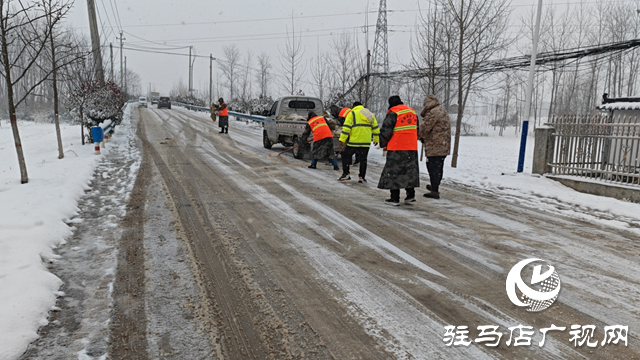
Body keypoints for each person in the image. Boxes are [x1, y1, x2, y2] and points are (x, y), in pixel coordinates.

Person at [377, 95, 420, 206]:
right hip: (411, 148)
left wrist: (382, 143)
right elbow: (417, 129)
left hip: (397, 148)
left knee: (394, 173)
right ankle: (410, 195)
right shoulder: (412, 112)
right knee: (409, 172)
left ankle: (394, 198)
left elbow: (386, 130)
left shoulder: (394, 113)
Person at [418, 94, 451, 199]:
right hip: (443, 144)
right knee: (439, 166)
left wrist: (417, 135)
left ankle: (434, 190)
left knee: (432, 167)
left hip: (435, 144)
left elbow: (424, 128)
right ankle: (435, 185)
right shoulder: (442, 111)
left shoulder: (433, 113)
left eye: (425, 104)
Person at [338, 101, 379, 183]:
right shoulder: (370, 114)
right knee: (363, 160)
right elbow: (375, 128)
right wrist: (376, 139)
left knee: (345, 156)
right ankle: (362, 177)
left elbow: (346, 128)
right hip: (366, 142)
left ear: (354, 106)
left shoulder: (352, 113)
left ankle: (346, 174)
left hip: (354, 141)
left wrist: (342, 139)